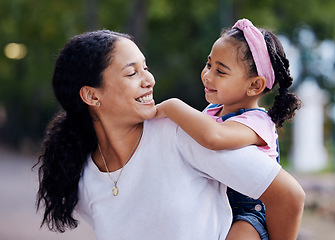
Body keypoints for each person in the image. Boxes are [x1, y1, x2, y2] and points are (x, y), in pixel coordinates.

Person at [35, 29, 305, 240]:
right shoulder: (84, 178)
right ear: (91, 95)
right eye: (132, 72)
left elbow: (288, 196)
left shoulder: (182, 134)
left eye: (145, 67)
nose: (149, 79)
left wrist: (174, 106)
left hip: (250, 212)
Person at [156, 18, 301, 240]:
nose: (208, 75)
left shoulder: (257, 122)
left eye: (220, 72)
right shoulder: (213, 110)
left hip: (249, 214)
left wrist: (170, 106)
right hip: (213, 203)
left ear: (255, 85)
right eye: (208, 64)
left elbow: (214, 137)